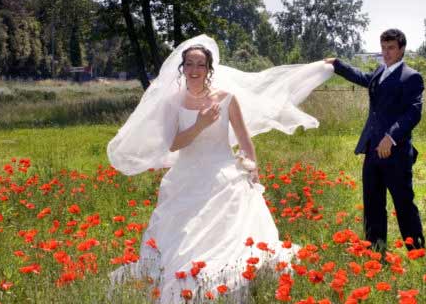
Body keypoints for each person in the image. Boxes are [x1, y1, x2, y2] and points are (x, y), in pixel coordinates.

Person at [107, 35, 333, 303]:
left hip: (225, 173)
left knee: (237, 232)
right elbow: (173, 144)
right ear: (182, 68)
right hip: (187, 175)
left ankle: (238, 280)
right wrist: (199, 125)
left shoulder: (226, 98)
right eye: (189, 64)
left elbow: (244, 138)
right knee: (186, 234)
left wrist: (252, 169)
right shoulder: (174, 102)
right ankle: (186, 280)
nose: (193, 70)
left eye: (200, 65)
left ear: (208, 69)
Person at [325, 28, 425, 251]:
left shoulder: (411, 77)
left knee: (403, 203)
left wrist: (391, 137)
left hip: (396, 153)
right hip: (372, 150)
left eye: (391, 48)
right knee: (372, 203)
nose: (386, 52)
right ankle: (375, 251)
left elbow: (413, 113)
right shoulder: (380, 73)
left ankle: (417, 251)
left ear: (401, 49)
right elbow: (362, 77)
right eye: (383, 48)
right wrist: (337, 65)